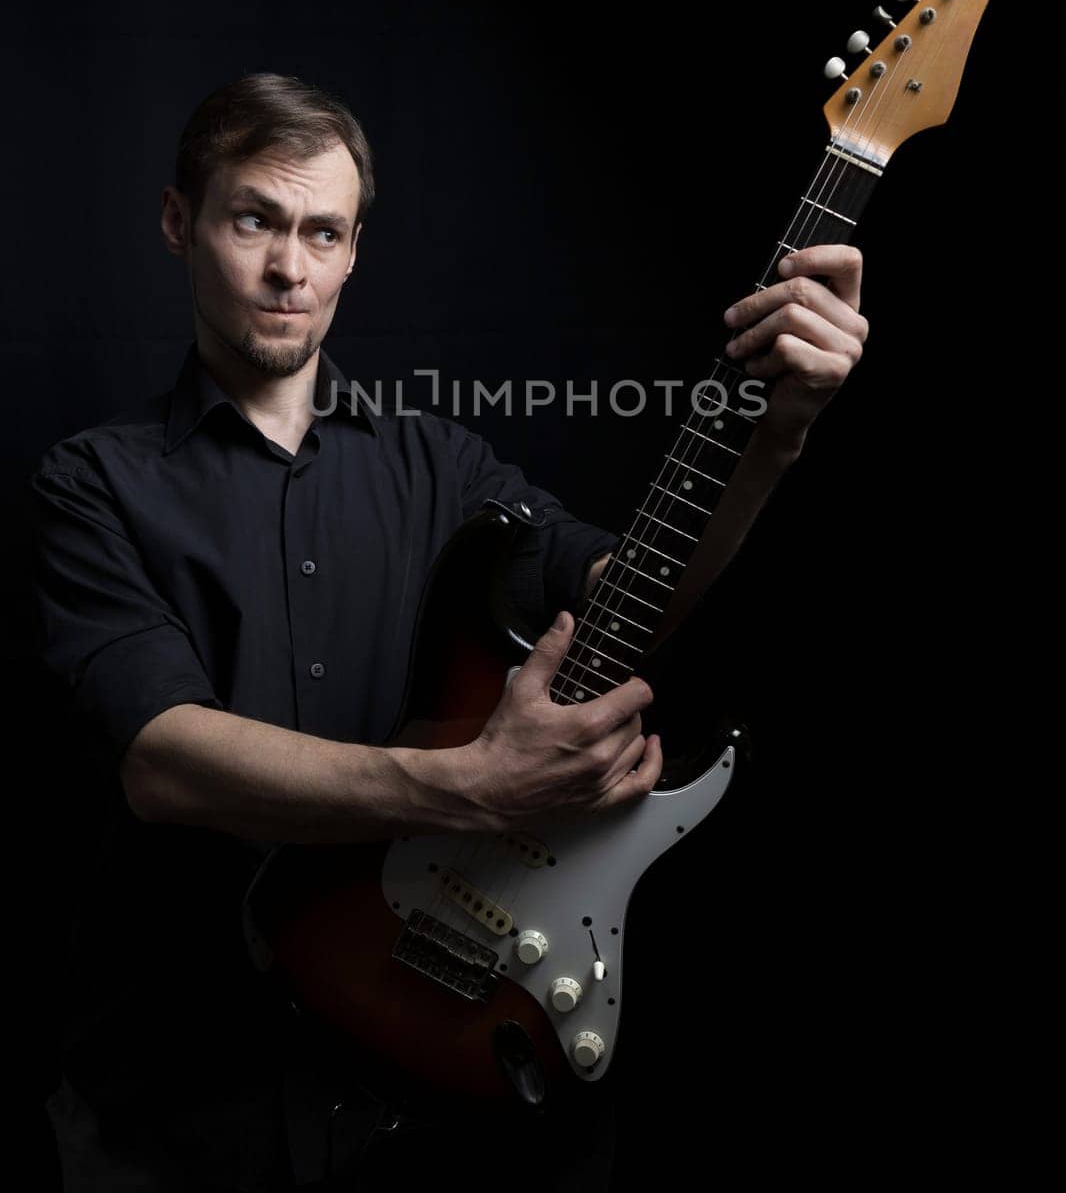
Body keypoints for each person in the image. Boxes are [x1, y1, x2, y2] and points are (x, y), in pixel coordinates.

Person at [31, 72, 869, 1189]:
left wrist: (775, 441)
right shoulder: (90, 482)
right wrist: (474, 786)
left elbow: (631, 596)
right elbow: (162, 760)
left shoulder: (447, 465)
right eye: (254, 221)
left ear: (353, 251)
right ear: (182, 223)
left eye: (322, 232)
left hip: (442, 1100)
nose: (290, 267)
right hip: (182, 1102)